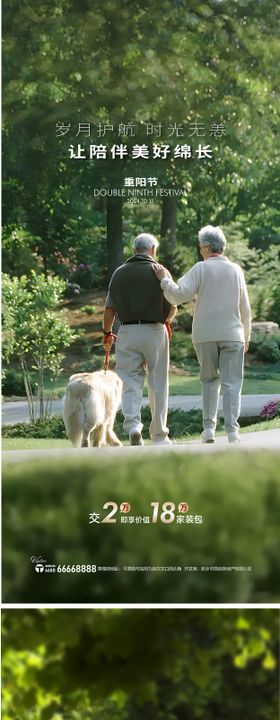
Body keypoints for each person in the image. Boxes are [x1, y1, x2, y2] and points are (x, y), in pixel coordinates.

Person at [153, 225, 251, 443]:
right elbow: (245, 308)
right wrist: (247, 335)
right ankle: (233, 432)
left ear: (207, 247)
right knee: (232, 383)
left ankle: (209, 430)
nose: (200, 250)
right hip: (233, 334)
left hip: (205, 334)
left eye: (200, 247)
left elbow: (178, 296)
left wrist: (164, 280)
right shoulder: (236, 270)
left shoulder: (200, 268)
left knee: (209, 381)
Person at [102, 233, 176, 446]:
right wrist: (166, 321)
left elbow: (109, 309)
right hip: (155, 330)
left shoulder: (119, 273)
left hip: (127, 331)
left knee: (129, 381)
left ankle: (133, 426)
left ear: (135, 250)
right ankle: (159, 434)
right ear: (152, 249)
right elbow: (173, 306)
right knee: (158, 382)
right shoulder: (160, 271)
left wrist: (107, 332)